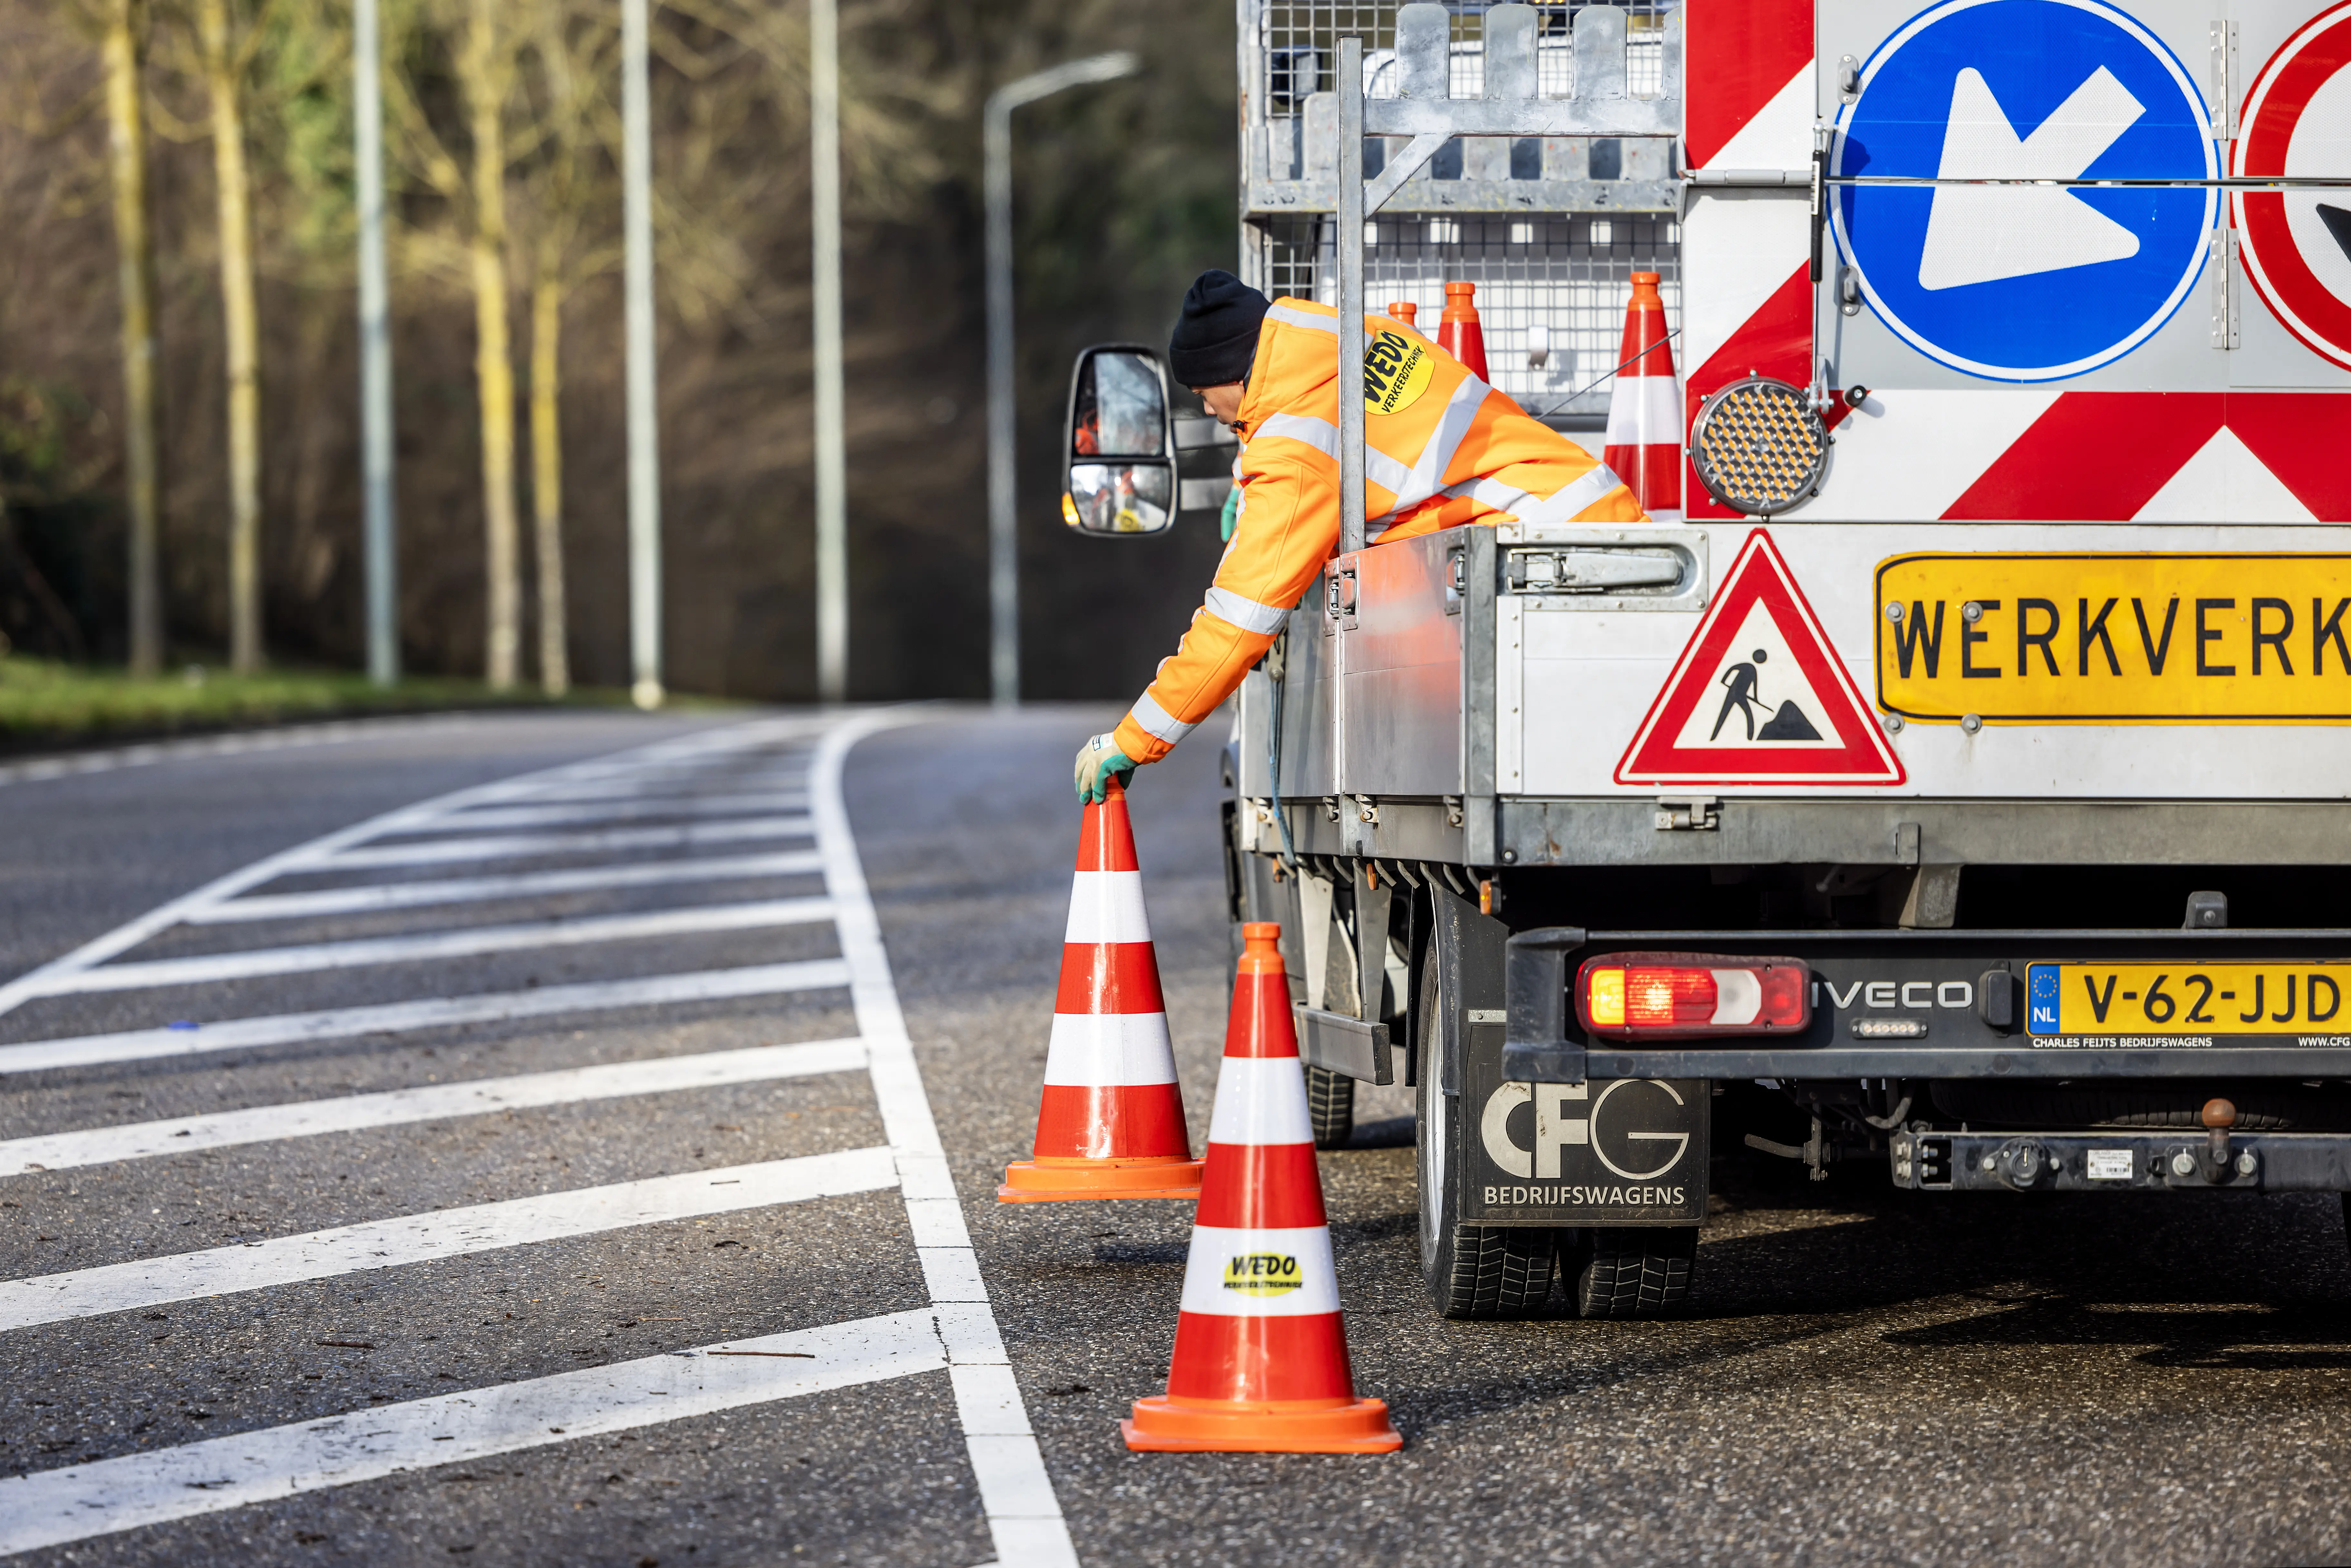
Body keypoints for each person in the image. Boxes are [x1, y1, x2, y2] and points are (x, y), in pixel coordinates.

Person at [1075, 269, 1650, 800]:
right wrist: (1247, 489)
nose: (1206, 410)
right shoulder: (1339, 334)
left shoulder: (1295, 449)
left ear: (1229, 373)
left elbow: (1239, 620)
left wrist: (1135, 737)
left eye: (1202, 393)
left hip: (1546, 565)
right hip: (1595, 516)